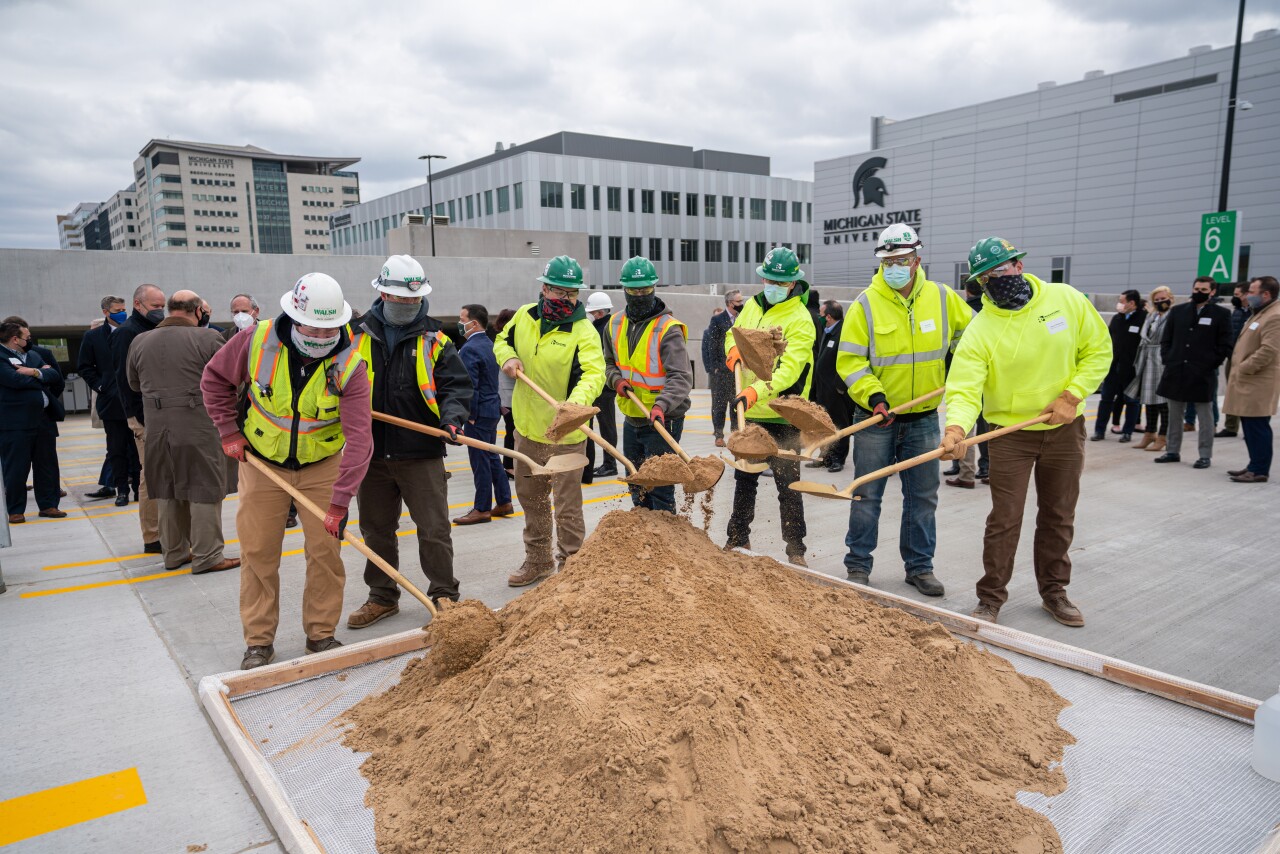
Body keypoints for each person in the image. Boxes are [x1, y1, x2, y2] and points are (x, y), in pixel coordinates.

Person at [202, 273, 373, 669]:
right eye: (313, 325)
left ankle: (321, 635)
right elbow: (213, 380)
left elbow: (361, 440)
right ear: (294, 316)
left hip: (321, 467)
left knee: (326, 553)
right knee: (259, 553)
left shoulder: (351, 365)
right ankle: (259, 642)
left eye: (330, 327)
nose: (321, 334)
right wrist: (229, 431)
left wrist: (340, 502)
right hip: (262, 463)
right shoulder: (255, 341)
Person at [941, 237, 1111, 627]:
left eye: (1001, 270)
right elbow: (965, 388)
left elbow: (1098, 351)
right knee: (1004, 517)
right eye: (986, 278)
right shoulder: (981, 328)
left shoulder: (1065, 299)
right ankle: (990, 597)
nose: (995, 281)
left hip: (1065, 428)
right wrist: (955, 428)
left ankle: (1054, 591)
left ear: (1018, 266)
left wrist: (1073, 394)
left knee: (1058, 513)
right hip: (1009, 433)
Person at [836, 226, 971, 595]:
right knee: (866, 495)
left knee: (923, 497)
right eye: (888, 261)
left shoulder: (943, 298)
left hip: (924, 417)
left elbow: (971, 339)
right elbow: (849, 361)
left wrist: (959, 363)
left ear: (917, 260)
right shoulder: (866, 303)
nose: (895, 266)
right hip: (876, 417)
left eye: (902, 260)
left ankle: (919, 567)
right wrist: (874, 395)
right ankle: (858, 566)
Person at [345, 256, 473, 628]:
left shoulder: (437, 339)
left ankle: (444, 593)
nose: (407, 307)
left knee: (434, 528)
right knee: (375, 529)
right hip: (370, 453)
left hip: (421, 450)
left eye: (413, 301)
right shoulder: (354, 336)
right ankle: (382, 596)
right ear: (382, 293)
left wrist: (452, 419)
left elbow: (455, 387)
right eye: (400, 300)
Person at [493, 255, 606, 586]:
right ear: (544, 289)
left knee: (567, 505)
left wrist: (575, 404)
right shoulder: (525, 316)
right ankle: (538, 560)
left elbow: (594, 373)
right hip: (527, 430)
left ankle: (570, 566)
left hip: (566, 433)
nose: (568, 300)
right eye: (560, 292)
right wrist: (508, 357)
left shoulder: (583, 329)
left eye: (573, 293)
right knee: (532, 500)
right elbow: (502, 340)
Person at [127, 291, 240, 574]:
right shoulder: (207, 338)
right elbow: (232, 382)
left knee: (167, 489)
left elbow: (133, 383)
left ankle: (174, 553)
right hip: (198, 425)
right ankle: (208, 556)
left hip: (156, 426)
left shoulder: (140, 341)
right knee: (203, 488)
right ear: (198, 312)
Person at [724, 247, 816, 566]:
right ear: (762, 278)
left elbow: (787, 372)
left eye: (781, 282)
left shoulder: (800, 320)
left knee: (788, 484)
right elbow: (733, 334)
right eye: (769, 279)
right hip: (750, 414)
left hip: (782, 414)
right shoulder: (751, 305)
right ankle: (737, 538)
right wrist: (732, 351)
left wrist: (753, 391)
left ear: (793, 283)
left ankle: (796, 549)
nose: (773, 286)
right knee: (745, 477)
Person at [604, 257, 693, 513]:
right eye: (634, 290)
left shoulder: (668, 329)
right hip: (633, 415)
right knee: (637, 482)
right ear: (624, 290)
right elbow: (608, 363)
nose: (640, 295)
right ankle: (643, 542)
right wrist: (616, 380)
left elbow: (681, 377)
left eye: (645, 290)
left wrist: (662, 405)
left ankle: (666, 544)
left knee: (661, 490)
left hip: (664, 418)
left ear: (654, 288)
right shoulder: (614, 324)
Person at [1154, 276, 1232, 468]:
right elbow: (1167, 339)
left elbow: (1225, 344)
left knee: (1205, 417)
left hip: (1202, 372)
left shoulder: (1221, 314)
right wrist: (1168, 358)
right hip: (1176, 369)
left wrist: (1211, 363)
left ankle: (1205, 455)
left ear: (1212, 292)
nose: (1199, 292)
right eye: (1196, 288)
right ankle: (1172, 451)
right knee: (1174, 415)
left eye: (1204, 290)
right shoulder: (1178, 311)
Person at [112, 283, 166, 552]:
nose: (160, 311)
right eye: (155, 306)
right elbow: (125, 381)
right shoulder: (127, 333)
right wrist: (140, 419)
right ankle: (152, 536)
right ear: (138, 304)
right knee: (151, 476)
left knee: (163, 475)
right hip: (144, 416)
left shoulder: (153, 329)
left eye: (162, 306)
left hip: (160, 414)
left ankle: (164, 531)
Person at [454, 303, 514, 525]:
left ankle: (481, 508)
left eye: (462, 320)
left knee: (480, 461)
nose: (460, 324)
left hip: (478, 413)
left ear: (474, 323)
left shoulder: (470, 348)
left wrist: (469, 414)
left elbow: (471, 385)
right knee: (490, 456)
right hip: (492, 409)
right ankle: (505, 501)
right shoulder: (490, 344)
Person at [4, 317, 67, 518]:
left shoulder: (32, 356)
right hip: (16, 424)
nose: (30, 340)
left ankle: (48, 505)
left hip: (43, 420)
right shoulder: (1, 357)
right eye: (27, 337)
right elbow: (14, 380)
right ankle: (15, 510)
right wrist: (41, 375)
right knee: (16, 468)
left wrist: (32, 372)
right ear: (15, 339)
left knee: (47, 465)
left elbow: (55, 377)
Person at [79, 295, 140, 502]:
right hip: (111, 402)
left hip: (135, 402)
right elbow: (85, 367)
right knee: (116, 450)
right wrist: (101, 386)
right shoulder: (93, 337)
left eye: (124, 309)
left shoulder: (134, 331)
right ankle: (121, 490)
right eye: (117, 310)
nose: (123, 313)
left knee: (138, 449)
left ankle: (140, 490)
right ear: (106, 312)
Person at [1223, 276, 1280, 483]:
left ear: (1266, 294)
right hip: (1249, 381)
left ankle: (1259, 470)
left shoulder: (1274, 316)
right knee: (1249, 424)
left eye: (1252, 292)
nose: (1248, 296)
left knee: (1257, 426)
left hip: (1257, 381)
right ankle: (1253, 464)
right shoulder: (1261, 313)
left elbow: (1269, 350)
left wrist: (1244, 367)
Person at [945, 279, 992, 486]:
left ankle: (965, 472)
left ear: (966, 291)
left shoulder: (964, 312)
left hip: (968, 376)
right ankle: (986, 467)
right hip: (990, 381)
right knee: (987, 426)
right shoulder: (993, 313)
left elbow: (952, 347)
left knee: (965, 427)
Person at [1093, 289, 1147, 443]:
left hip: (1131, 368)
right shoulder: (1117, 319)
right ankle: (1099, 431)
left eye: (1122, 301)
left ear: (1132, 303)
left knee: (1131, 401)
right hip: (1113, 367)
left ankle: (1127, 432)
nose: (1119, 304)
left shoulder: (1143, 319)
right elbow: (1108, 340)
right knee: (1106, 400)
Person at [1127, 286, 1174, 452]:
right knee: (1149, 399)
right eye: (1158, 299)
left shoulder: (1173, 316)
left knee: (1163, 401)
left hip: (1162, 359)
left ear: (1171, 298)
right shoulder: (1152, 316)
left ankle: (1163, 436)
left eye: (1164, 298)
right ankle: (1149, 433)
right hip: (1148, 358)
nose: (1161, 302)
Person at [809, 299, 851, 473]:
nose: (818, 316)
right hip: (823, 390)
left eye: (821, 313)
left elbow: (849, 361)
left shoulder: (844, 332)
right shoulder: (828, 330)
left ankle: (838, 459)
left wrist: (840, 387)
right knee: (824, 425)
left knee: (840, 425)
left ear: (828, 316)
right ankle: (825, 456)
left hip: (836, 392)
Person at [582, 291, 619, 480]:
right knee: (606, 426)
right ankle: (608, 463)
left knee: (606, 426)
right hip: (603, 383)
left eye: (595, 312)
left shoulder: (604, 328)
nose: (593, 315)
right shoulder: (607, 326)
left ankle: (610, 464)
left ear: (601, 311)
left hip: (603, 385)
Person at [704, 289, 743, 448]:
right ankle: (718, 434)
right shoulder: (717, 320)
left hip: (738, 370)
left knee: (736, 404)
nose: (741, 304)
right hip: (721, 371)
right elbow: (712, 345)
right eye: (738, 302)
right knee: (719, 405)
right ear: (729, 303)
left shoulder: (743, 317)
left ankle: (735, 435)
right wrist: (715, 368)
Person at [1218, 283, 1253, 439]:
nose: (1234, 297)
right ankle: (1231, 427)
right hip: (1232, 356)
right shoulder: (1236, 312)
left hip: (1248, 359)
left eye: (1237, 294)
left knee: (1248, 394)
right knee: (1231, 392)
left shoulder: (1255, 313)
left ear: (1246, 294)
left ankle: (1250, 428)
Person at [493, 308, 518, 479]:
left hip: (504, 395)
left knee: (511, 430)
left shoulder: (499, 340)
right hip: (509, 396)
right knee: (513, 431)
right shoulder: (507, 342)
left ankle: (509, 464)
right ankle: (509, 466)